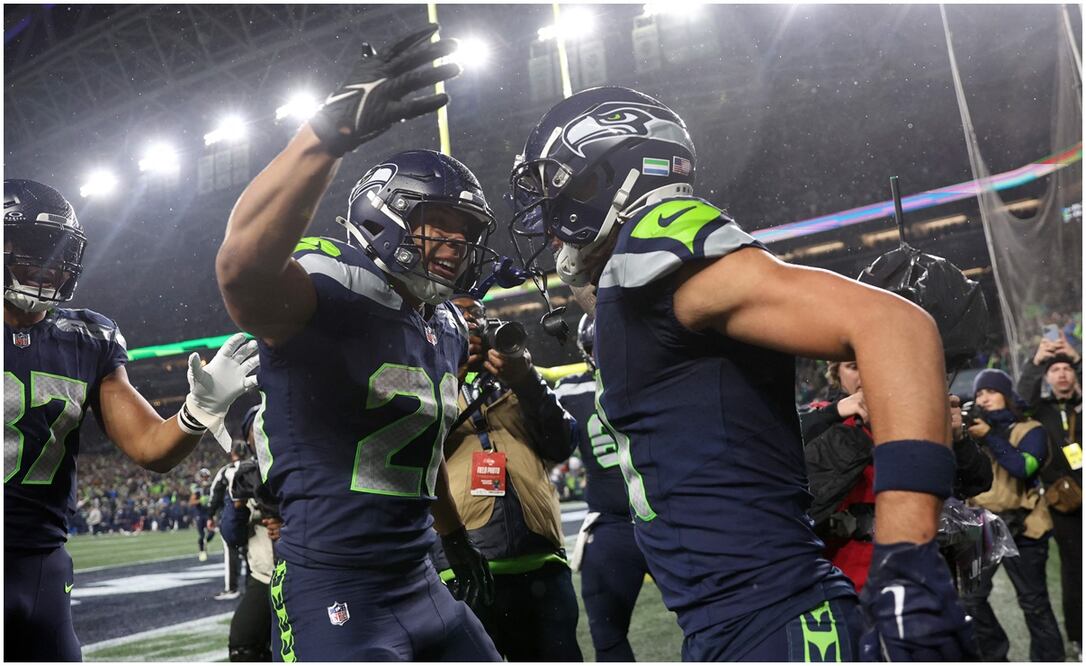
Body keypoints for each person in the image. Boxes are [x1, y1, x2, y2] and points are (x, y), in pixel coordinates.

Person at [507, 86, 975, 660]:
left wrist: (907, 562)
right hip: (731, 620)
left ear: (612, 174)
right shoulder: (637, 284)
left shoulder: (658, 239)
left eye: (558, 187)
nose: (548, 217)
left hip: (774, 615)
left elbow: (894, 324)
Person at [215, 24, 500, 661]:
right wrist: (324, 136)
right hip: (333, 585)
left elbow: (420, 456)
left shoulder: (445, 324)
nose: (455, 244)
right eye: (436, 224)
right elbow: (240, 268)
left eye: (465, 232)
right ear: (383, 214)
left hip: (420, 574)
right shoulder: (331, 284)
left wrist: (454, 539)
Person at [4, 178, 259, 661]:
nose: (52, 263)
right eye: (36, 244)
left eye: (61, 250)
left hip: (42, 562)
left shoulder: (87, 337)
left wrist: (197, 411)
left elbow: (149, 446)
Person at [429, 296, 582, 661]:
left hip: (541, 562)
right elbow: (414, 447)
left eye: (476, 317)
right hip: (462, 567)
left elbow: (562, 443)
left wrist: (526, 380)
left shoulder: (517, 378)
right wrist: (452, 375)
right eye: (459, 317)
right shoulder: (425, 379)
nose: (470, 324)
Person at [804, 361, 992, 593]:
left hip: (921, 580)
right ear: (836, 374)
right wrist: (864, 426)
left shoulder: (920, 418)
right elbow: (808, 503)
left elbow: (977, 483)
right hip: (846, 585)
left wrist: (958, 439)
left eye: (874, 360)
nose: (867, 373)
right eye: (854, 366)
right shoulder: (819, 420)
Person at [555, 314, 658, 661]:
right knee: (607, 634)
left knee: (710, 617)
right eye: (594, 346)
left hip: (667, 518)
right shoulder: (571, 389)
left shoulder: (654, 376)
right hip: (612, 525)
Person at [960, 368, 1065, 661]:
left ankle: (1050, 660)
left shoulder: (1031, 429)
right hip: (981, 526)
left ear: (1007, 396)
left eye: (992, 391)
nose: (984, 398)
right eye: (980, 393)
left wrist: (991, 436)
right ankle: (996, 656)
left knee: (1034, 604)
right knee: (970, 600)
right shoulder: (971, 432)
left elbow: (1023, 467)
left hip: (1025, 526)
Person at [1017, 338, 1082, 657]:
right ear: (1047, 378)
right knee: (1074, 569)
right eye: (1054, 370)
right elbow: (1018, 403)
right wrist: (1035, 361)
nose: (1062, 374)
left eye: (1067, 369)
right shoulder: (1040, 411)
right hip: (1064, 503)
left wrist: (1078, 358)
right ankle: (1079, 635)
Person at [219, 405, 280, 662]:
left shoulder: (300, 468)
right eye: (256, 427)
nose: (262, 431)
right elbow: (233, 537)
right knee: (244, 646)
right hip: (264, 577)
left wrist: (288, 527)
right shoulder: (244, 477)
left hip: (306, 574)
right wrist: (237, 506)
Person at [208, 441, 249, 599]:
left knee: (231, 550)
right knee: (252, 551)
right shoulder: (255, 466)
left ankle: (231, 588)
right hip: (255, 515)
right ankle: (254, 586)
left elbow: (215, 492)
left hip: (234, 517)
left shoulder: (226, 470)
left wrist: (210, 515)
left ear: (233, 453)